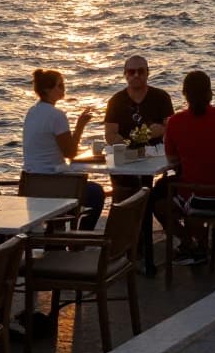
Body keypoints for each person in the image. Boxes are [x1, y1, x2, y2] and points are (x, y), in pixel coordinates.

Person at [157, 71, 215, 265]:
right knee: (188, 185)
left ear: (185, 94)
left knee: (156, 199)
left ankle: (189, 241)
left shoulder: (175, 122)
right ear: (210, 92)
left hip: (196, 199)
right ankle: (198, 243)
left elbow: (172, 160)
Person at [23, 69, 105, 230]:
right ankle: (81, 237)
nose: (64, 89)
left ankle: (57, 234)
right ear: (47, 90)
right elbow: (70, 153)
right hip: (54, 185)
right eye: (60, 86)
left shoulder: (32, 112)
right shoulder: (56, 115)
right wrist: (80, 126)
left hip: (32, 184)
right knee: (96, 193)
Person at [103, 55, 176, 204]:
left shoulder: (161, 97)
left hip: (154, 155)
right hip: (126, 157)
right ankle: (126, 213)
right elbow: (110, 134)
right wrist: (122, 142)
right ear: (125, 74)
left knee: (151, 190)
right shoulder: (116, 101)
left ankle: (146, 211)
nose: (136, 75)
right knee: (124, 189)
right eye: (131, 72)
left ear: (148, 73)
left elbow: (172, 127)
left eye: (141, 71)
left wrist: (161, 130)